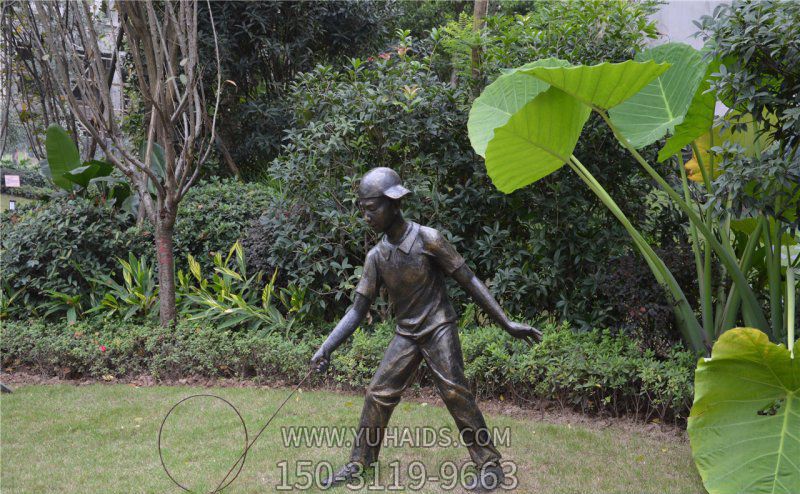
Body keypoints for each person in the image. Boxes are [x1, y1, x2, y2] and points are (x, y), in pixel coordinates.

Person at [310, 167, 541, 491]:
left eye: (372, 207)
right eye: (362, 208)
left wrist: (505, 322)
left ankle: (490, 466)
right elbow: (357, 310)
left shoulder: (429, 239)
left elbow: (470, 280)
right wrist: (327, 346)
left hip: (438, 327)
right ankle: (359, 463)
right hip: (406, 334)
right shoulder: (376, 257)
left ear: (393, 203)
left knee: (454, 391)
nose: (366, 215)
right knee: (377, 394)